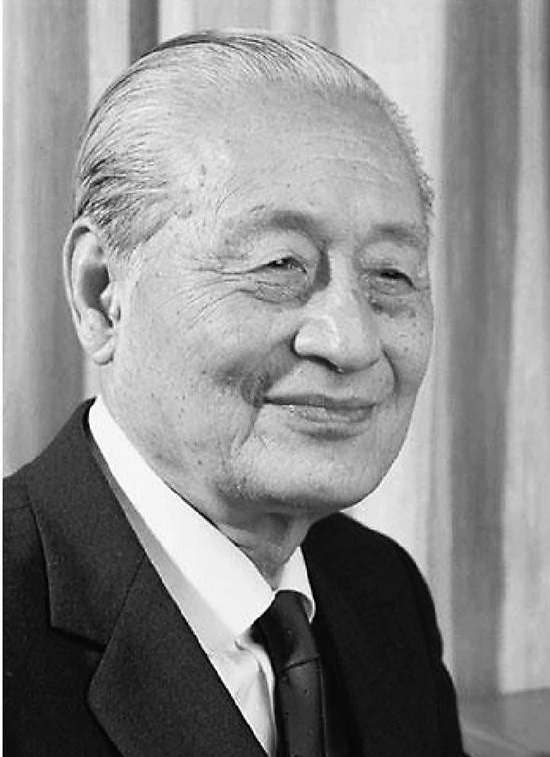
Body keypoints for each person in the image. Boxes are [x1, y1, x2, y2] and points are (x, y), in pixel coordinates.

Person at [4, 31, 468, 757]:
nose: (351, 341)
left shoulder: (380, 588)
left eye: (391, 274)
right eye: (279, 264)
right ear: (102, 294)